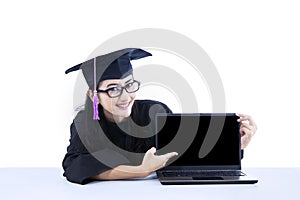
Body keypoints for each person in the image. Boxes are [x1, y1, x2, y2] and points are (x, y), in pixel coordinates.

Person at [62, 48, 257, 184]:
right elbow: (74, 166)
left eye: (129, 85)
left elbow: (187, 155)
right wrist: (141, 171)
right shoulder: (84, 123)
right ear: (93, 95)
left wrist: (235, 147)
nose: (125, 96)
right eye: (113, 88)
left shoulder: (155, 112)